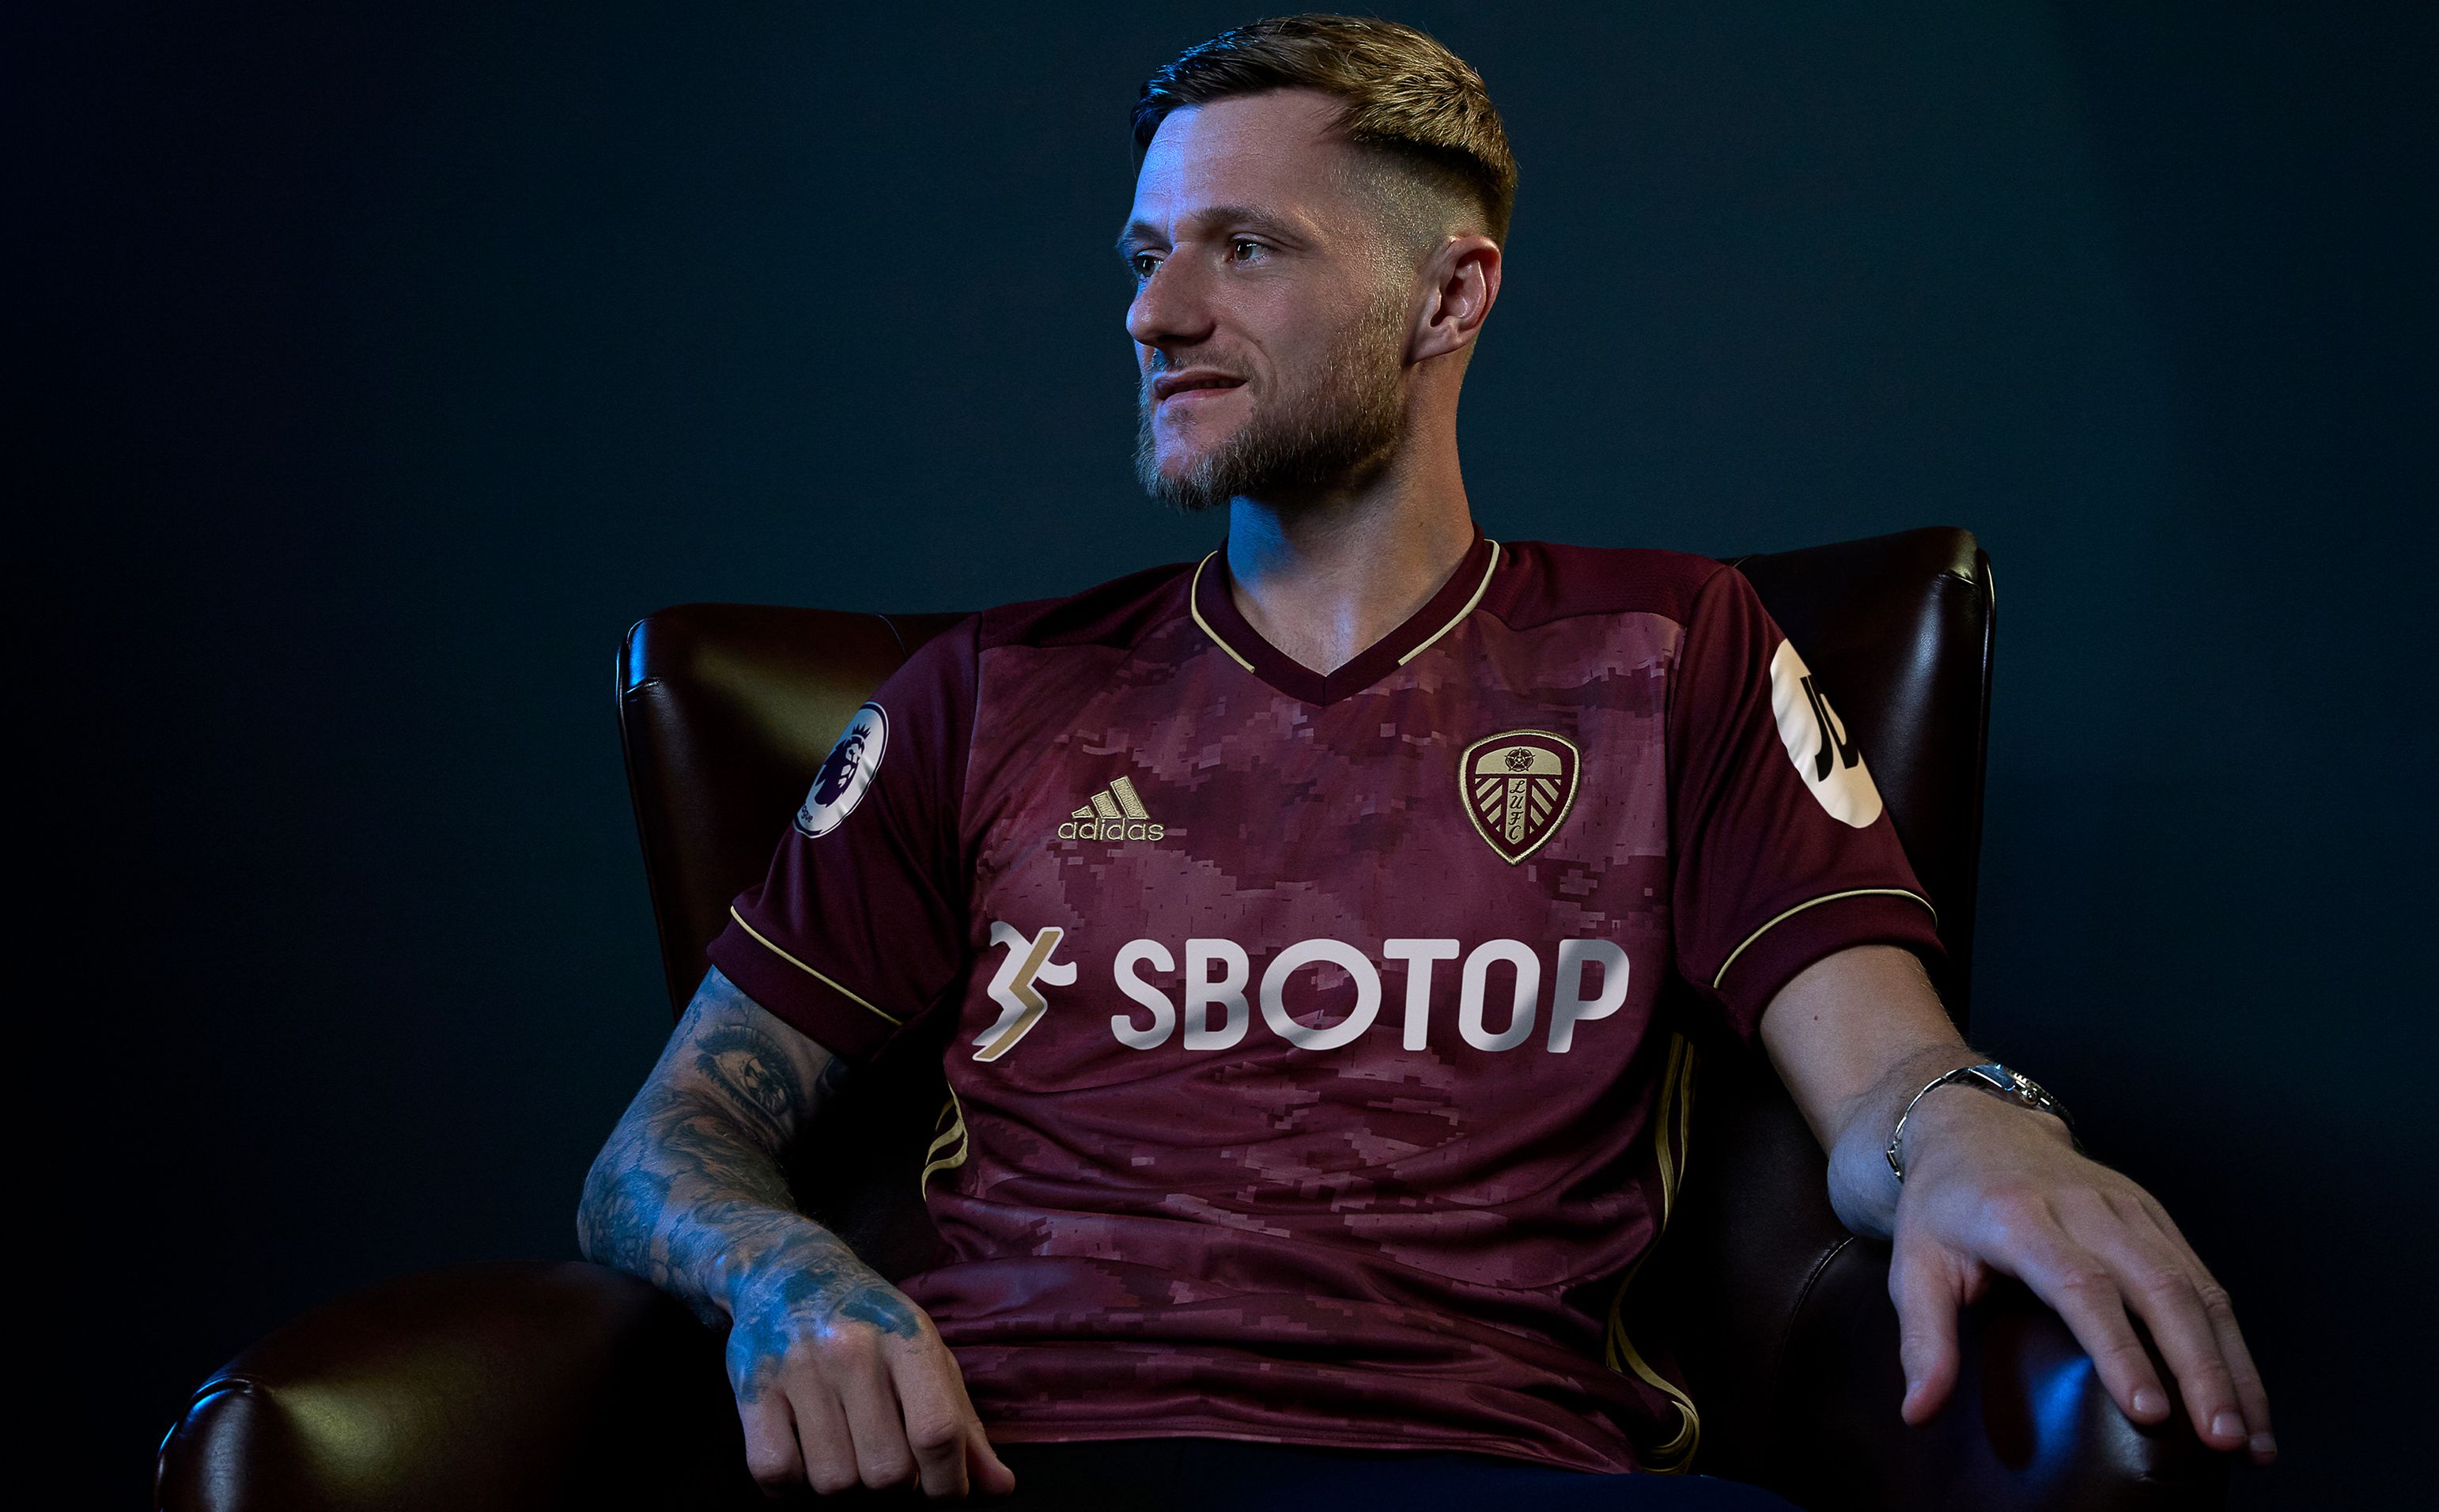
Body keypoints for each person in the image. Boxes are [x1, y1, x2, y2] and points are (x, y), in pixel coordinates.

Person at [577, 16, 2271, 1506]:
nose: (1156, 312)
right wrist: (788, 1276)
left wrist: (1978, 1134)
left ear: (1450, 294)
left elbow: (1887, 1076)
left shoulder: (1673, 650)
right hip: (1018, 1451)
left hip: (1486, 1461)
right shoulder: (987, 692)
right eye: (1146, 254)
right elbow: (660, 1147)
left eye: (1245, 248)